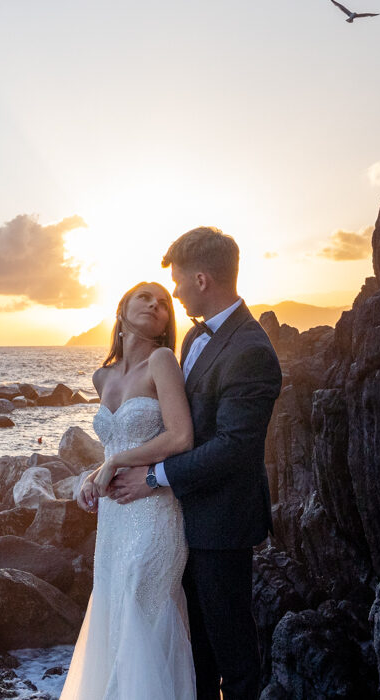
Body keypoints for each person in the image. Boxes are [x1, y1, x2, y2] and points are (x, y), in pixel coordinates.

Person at [108, 227, 282, 700]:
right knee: (193, 654)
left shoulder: (251, 350)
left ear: (202, 279)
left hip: (222, 523)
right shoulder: (192, 342)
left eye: (179, 283)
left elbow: (233, 447)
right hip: (177, 521)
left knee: (236, 659)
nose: (176, 293)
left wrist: (154, 478)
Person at [61, 280, 196, 700]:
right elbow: (114, 442)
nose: (155, 306)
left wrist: (117, 462)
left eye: (163, 305)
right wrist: (94, 474)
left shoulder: (162, 361)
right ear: (122, 309)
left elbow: (181, 437)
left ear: (164, 325)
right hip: (115, 518)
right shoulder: (103, 376)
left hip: (155, 510)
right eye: (145, 298)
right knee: (115, 612)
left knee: (143, 602)